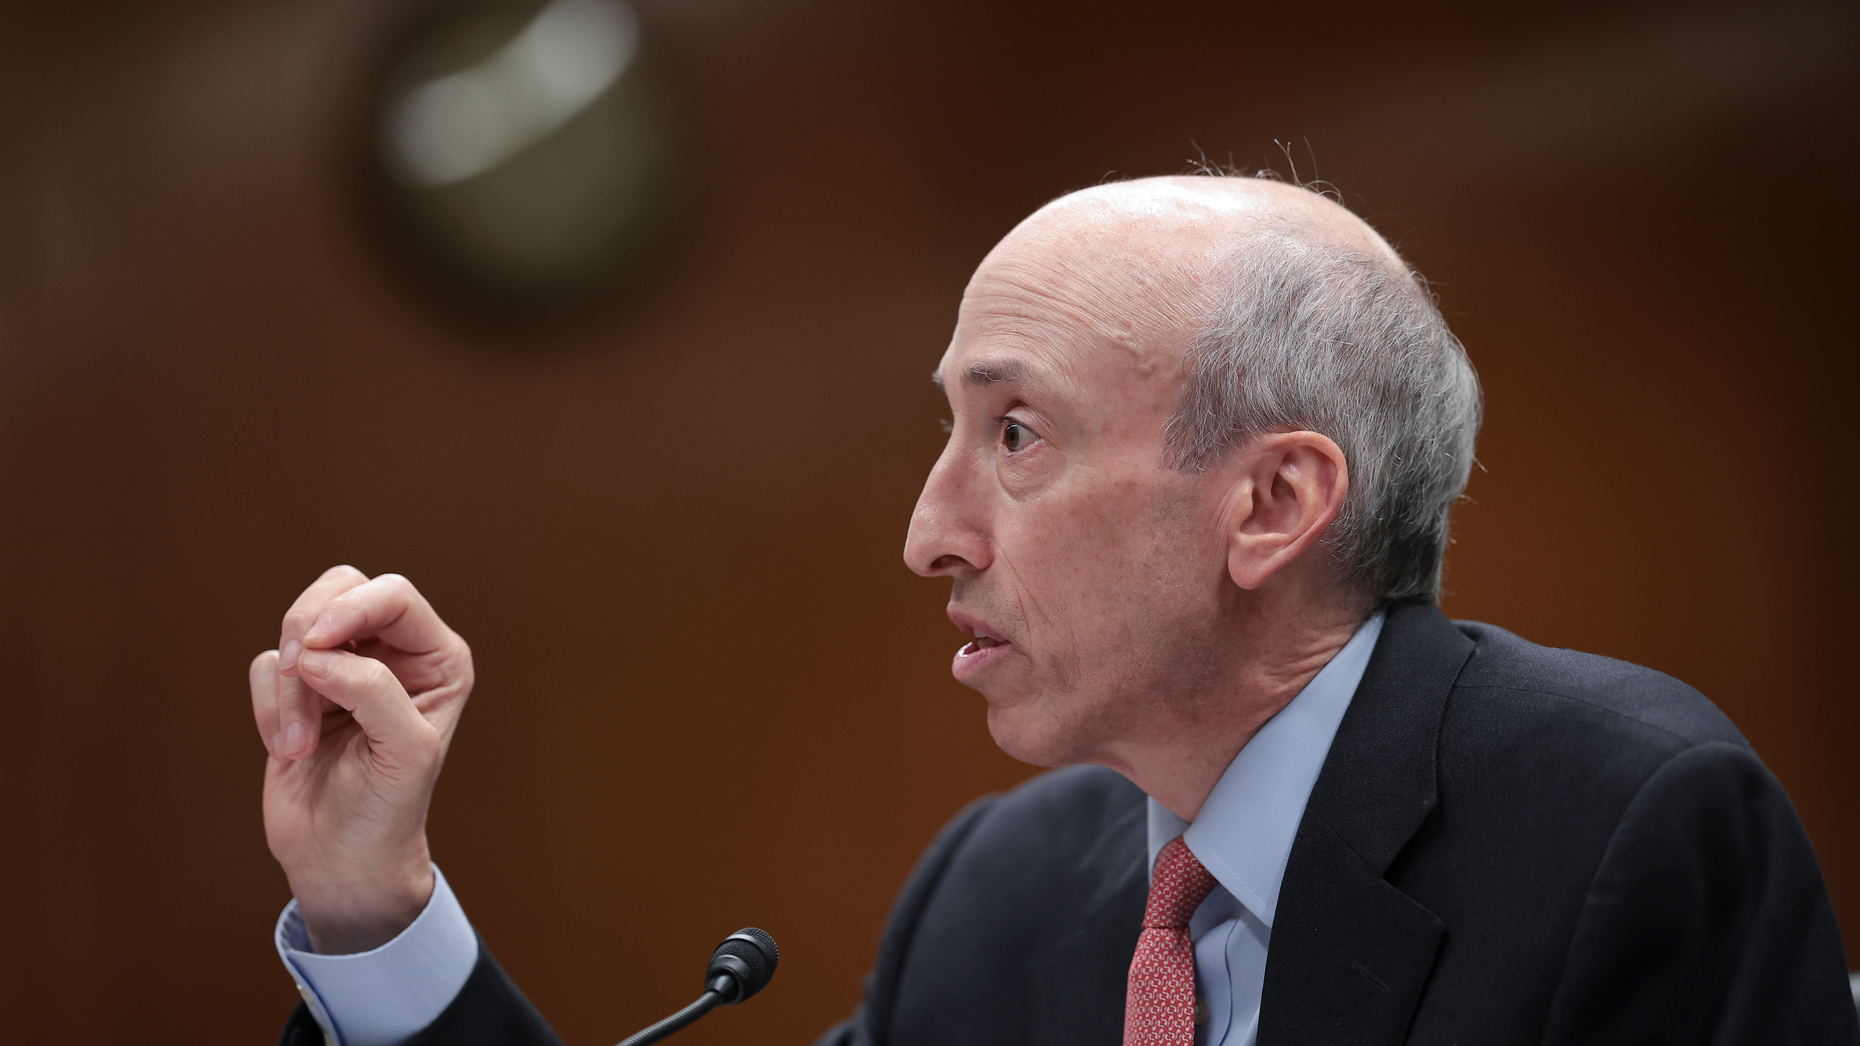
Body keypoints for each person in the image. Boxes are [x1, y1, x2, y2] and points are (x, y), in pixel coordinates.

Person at [251, 175, 1858, 1046]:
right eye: (947, 430)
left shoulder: (1622, 827)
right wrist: (376, 908)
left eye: (1014, 434)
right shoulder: (1005, 893)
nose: (927, 532)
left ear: (1274, 503)